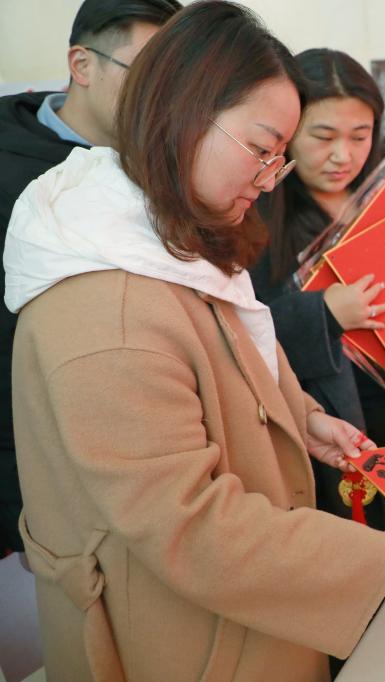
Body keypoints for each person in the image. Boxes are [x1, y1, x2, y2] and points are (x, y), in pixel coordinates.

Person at [4, 3, 385, 680]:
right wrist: (382, 563)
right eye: (261, 149)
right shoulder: (108, 303)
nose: (269, 176)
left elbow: (230, 359)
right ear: (180, 115)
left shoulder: (174, 242)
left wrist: (302, 417)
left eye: (280, 156)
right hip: (177, 639)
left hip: (238, 610)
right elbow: (188, 525)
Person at [252, 49, 385, 542]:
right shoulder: (258, 213)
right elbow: (240, 331)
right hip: (335, 425)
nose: (343, 155)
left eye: (359, 136)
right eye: (323, 136)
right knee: (363, 543)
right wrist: (323, 312)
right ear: (289, 130)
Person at [0, 0, 181, 557]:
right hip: (25, 455)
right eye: (146, 73)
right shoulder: (12, 167)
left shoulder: (164, 171)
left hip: (140, 456)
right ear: (82, 65)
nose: (162, 96)